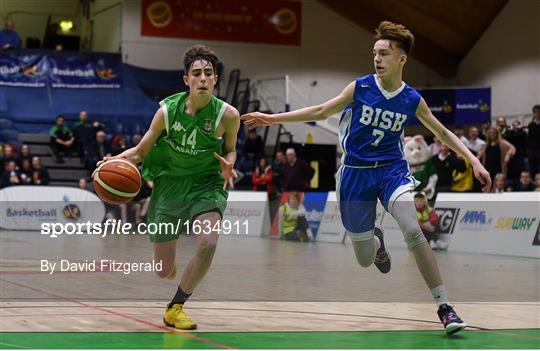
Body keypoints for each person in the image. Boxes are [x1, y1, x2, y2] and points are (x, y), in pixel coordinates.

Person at [242, 21, 492, 335]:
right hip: (354, 175)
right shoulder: (360, 87)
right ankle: (376, 240)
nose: (377, 58)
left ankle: (445, 307)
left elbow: (441, 132)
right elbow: (321, 110)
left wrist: (473, 162)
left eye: (384, 53)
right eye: (375, 53)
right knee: (363, 258)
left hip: (392, 170)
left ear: (401, 59)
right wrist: (270, 118)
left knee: (414, 231)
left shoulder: (411, 98)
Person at [97, 45, 239, 330]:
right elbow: (139, 152)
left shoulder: (228, 115)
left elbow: (231, 150)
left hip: (206, 184)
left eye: (208, 74)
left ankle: (175, 307)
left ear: (215, 80)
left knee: (209, 243)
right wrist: (110, 162)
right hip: (170, 186)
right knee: (163, 271)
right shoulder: (167, 112)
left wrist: (229, 162)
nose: (202, 78)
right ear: (186, 80)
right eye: (196, 73)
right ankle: (167, 267)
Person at [527, 105, 540, 176]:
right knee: (532, 168)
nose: (537, 114)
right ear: (534, 113)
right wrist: (528, 150)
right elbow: (529, 138)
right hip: (532, 151)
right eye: (536, 112)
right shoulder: (531, 125)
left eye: (539, 112)